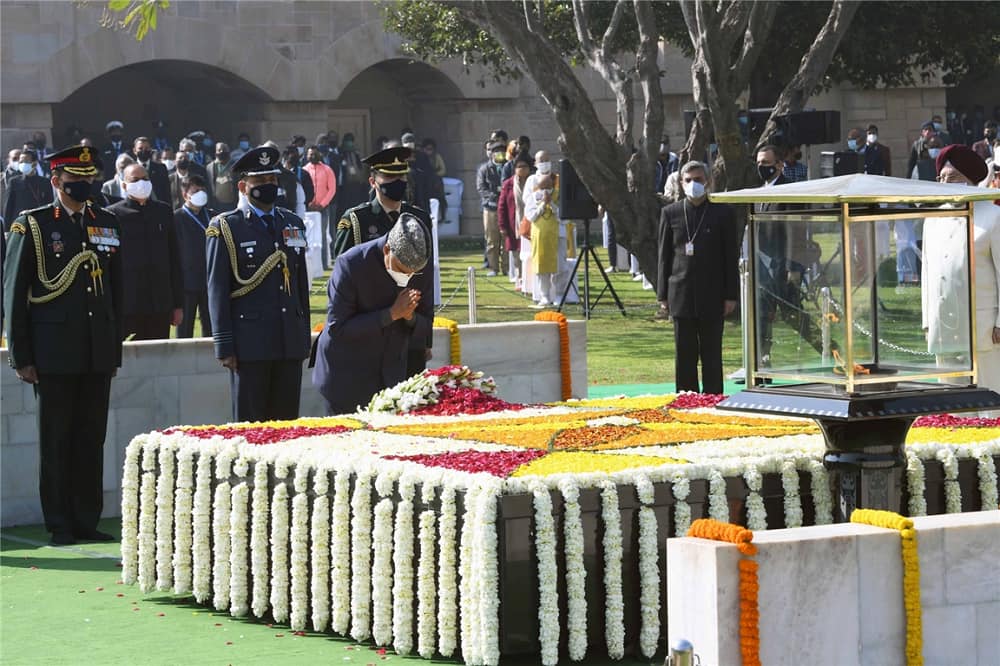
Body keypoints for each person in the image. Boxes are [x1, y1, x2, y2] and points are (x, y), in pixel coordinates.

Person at [3, 145, 123, 545]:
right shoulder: (33, 225)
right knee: (56, 441)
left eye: (89, 178)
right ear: (56, 181)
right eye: (76, 179)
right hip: (53, 351)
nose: (84, 185)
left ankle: (87, 518)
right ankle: (60, 522)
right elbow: (15, 292)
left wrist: (113, 348)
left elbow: (115, 291)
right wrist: (21, 355)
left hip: (95, 350)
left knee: (91, 438)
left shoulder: (105, 221)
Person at [206, 146, 311, 422]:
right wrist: (224, 346)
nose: (269, 187)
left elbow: (300, 285)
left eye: (272, 181)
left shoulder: (293, 223)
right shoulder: (226, 227)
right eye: (260, 182)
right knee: (251, 429)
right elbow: (217, 290)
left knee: (287, 426)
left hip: (288, 341)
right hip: (250, 345)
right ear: (243, 186)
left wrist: (303, 336)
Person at [312, 214, 432, 414]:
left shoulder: (420, 266)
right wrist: (391, 314)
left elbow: (426, 324)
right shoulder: (351, 264)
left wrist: (410, 317)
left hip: (391, 377)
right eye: (402, 270)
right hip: (346, 376)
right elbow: (338, 328)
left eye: (413, 273)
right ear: (387, 250)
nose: (408, 277)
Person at [923, 144, 1000, 399]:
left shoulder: (993, 216)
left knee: (989, 400)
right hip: (943, 325)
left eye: (953, 178)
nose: (946, 184)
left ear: (970, 180)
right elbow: (927, 273)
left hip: (984, 327)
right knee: (947, 406)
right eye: (941, 179)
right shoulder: (932, 217)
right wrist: (927, 321)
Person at [656, 160, 739, 394]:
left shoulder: (723, 213)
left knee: (711, 352)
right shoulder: (670, 212)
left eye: (699, 180)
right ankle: (686, 398)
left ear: (709, 182)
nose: (694, 184)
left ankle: (713, 397)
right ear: (681, 184)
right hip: (680, 293)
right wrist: (663, 295)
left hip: (713, 293)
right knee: (684, 353)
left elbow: (729, 256)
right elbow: (663, 257)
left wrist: (730, 295)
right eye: (689, 180)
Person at [753, 145, 826, 367]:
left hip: (784, 266)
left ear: (779, 165)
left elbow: (796, 231)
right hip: (763, 266)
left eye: (766, 163)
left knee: (793, 315)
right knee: (762, 314)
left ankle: (830, 351)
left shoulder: (789, 191)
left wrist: (794, 266)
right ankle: (762, 360)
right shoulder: (759, 192)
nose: (761, 167)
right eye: (758, 163)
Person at [107, 163, 183, 340]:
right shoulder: (112, 215)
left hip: (159, 302)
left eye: (145, 179)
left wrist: (178, 304)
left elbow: (174, 259)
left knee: (157, 358)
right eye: (135, 180)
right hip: (127, 302)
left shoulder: (163, 211)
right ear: (124, 184)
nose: (141, 183)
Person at [173, 174, 216, 338]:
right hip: (186, 283)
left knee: (211, 329)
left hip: (209, 282)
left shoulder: (212, 216)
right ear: (185, 195)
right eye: (196, 190)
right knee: (184, 330)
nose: (201, 193)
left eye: (203, 190)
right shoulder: (176, 218)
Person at [523, 152, 561, 307]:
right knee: (541, 266)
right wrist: (541, 204)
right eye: (541, 161)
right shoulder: (533, 193)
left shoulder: (557, 192)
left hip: (555, 233)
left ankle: (558, 295)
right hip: (539, 233)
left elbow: (561, 214)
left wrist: (551, 203)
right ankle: (544, 296)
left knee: (557, 265)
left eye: (547, 160)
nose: (546, 190)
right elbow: (530, 214)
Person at [497, 152, 532, 289]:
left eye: (524, 166)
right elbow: (502, 206)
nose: (522, 169)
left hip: (531, 223)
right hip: (514, 225)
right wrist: (502, 226)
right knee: (517, 255)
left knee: (530, 254)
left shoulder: (534, 182)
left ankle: (530, 282)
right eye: (519, 167)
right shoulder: (508, 184)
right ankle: (520, 280)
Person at [304, 144, 337, 270]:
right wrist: (309, 203)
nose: (313, 156)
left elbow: (332, 189)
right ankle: (310, 266)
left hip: (322, 208)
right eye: (310, 154)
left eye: (315, 154)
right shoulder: (305, 170)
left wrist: (322, 204)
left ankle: (323, 264)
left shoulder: (327, 169)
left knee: (322, 235)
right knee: (308, 237)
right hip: (308, 208)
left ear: (319, 155)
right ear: (307, 156)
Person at [477, 140, 506, 277]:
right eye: (496, 151)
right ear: (491, 154)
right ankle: (493, 268)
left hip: (506, 208)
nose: (500, 154)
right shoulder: (484, 169)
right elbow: (481, 188)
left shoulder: (508, 167)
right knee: (491, 239)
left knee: (506, 238)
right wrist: (495, 196)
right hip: (490, 208)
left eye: (502, 151)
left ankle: (507, 267)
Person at [3, 150, 53, 228]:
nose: (22, 164)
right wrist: (7, 229)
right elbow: (8, 208)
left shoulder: (45, 182)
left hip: (41, 224)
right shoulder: (14, 182)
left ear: (34, 163)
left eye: (25, 161)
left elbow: (50, 205)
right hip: (20, 225)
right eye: (21, 161)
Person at [131, 136, 171, 204]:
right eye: (140, 148)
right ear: (134, 151)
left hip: (158, 207)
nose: (144, 150)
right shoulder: (130, 169)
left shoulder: (161, 168)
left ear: (151, 149)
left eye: (146, 148)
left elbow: (166, 192)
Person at [338, 133, 368, 211]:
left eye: (351, 140)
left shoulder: (355, 152)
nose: (349, 143)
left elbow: (360, 166)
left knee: (356, 203)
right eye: (348, 140)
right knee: (345, 204)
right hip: (344, 184)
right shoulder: (340, 152)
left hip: (356, 182)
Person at [207, 142, 238, 211]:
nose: (222, 152)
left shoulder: (236, 165)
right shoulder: (210, 167)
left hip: (232, 204)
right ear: (215, 152)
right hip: (216, 205)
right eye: (219, 150)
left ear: (228, 152)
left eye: (224, 150)